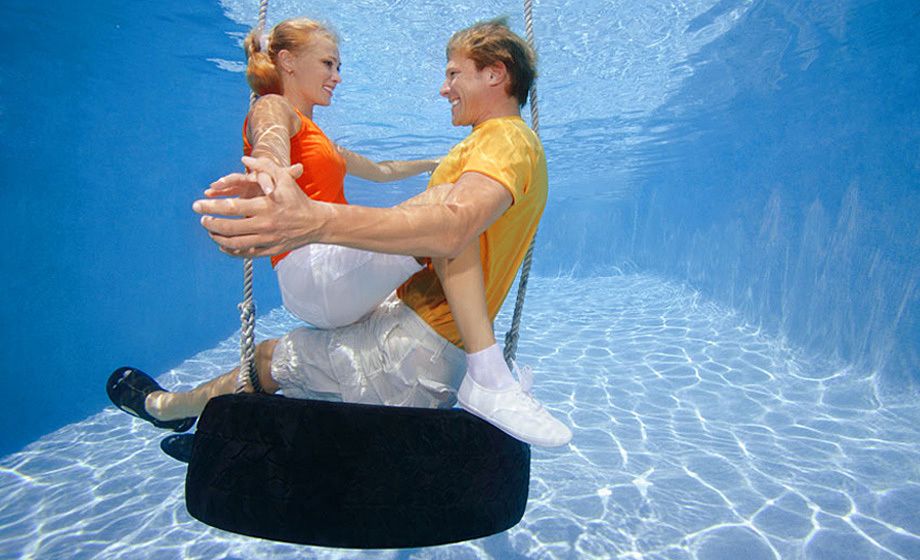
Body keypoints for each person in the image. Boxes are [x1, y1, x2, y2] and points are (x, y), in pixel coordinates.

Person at [108, 18, 571, 447]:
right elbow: (269, 134)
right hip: (338, 285)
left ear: (495, 74)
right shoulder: (276, 107)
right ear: (288, 62)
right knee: (290, 357)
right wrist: (269, 168)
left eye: (454, 75)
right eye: (328, 63)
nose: (443, 87)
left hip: (393, 326)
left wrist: (432, 168)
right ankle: (189, 416)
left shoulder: (497, 141)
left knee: (279, 360)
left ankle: (178, 412)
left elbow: (400, 183)